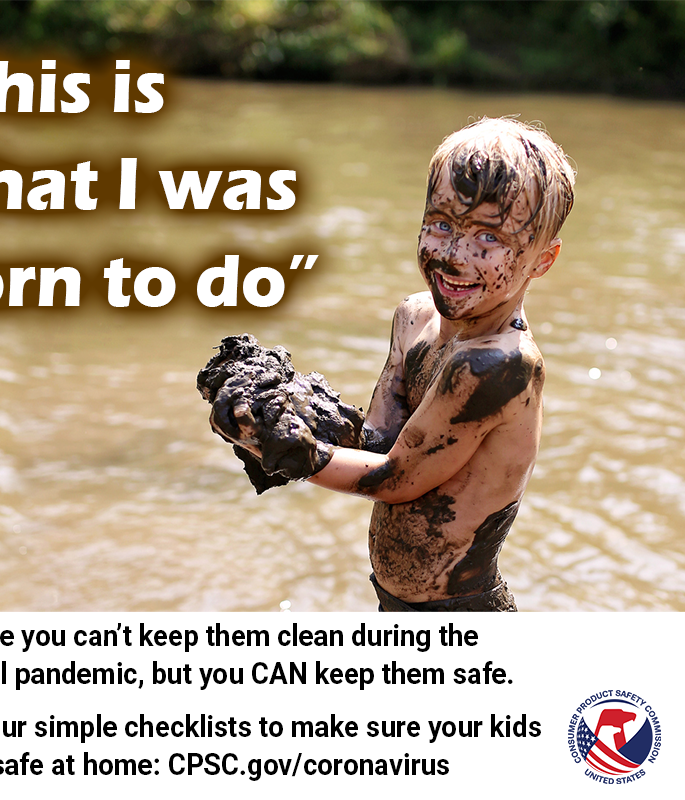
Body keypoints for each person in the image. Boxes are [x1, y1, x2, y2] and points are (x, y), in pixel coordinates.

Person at [214, 117, 575, 611]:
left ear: (541, 260)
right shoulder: (413, 317)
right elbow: (379, 440)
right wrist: (291, 407)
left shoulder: (499, 365)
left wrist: (288, 449)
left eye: (488, 238)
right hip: (394, 601)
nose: (452, 255)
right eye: (442, 223)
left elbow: (398, 479)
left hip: (461, 612)